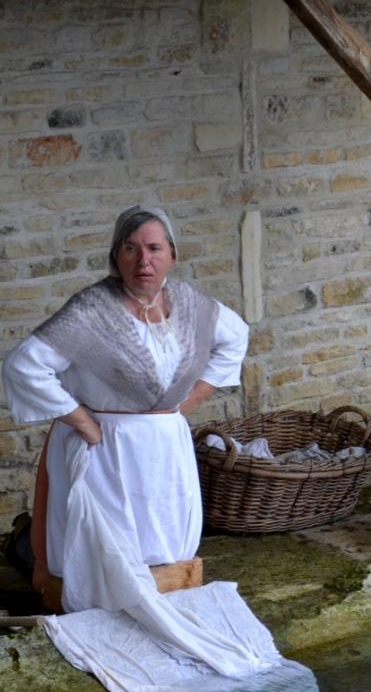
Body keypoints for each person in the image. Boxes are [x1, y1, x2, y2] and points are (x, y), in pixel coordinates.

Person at [1, 205, 249, 606]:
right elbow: (23, 366)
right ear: (116, 256)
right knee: (110, 541)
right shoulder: (91, 310)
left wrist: (195, 396)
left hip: (164, 443)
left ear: (173, 255)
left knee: (162, 539)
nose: (143, 260)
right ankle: (96, 597)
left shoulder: (190, 304)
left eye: (154, 248)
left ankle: (165, 587)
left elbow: (236, 337)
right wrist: (80, 420)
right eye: (130, 249)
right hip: (106, 444)